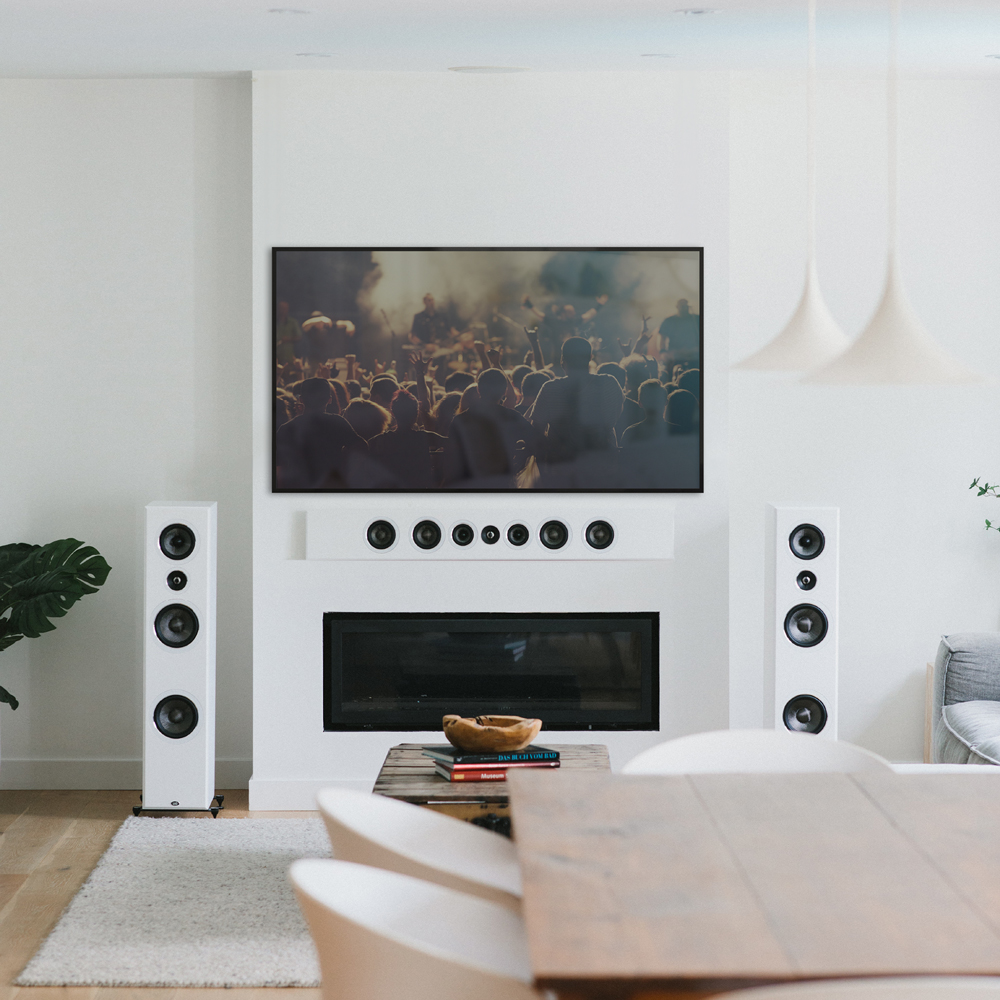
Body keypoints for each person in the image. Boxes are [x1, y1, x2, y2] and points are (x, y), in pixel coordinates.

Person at [527, 337, 623, 465]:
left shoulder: (550, 388)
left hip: (562, 466)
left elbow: (537, 431)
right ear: (590, 357)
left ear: (562, 360)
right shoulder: (609, 383)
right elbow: (614, 417)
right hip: (602, 464)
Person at [443, 368, 542, 487]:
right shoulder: (511, 417)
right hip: (501, 482)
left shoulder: (461, 419)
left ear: (478, 389)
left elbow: (449, 455)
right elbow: (537, 441)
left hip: (470, 484)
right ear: (504, 391)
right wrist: (519, 460)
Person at [276, 378, 367, 488]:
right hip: (331, 486)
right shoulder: (337, 422)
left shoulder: (287, 428)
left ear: (301, 399)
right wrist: (348, 472)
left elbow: (278, 466)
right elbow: (362, 446)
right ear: (329, 400)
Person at [369, 389, 445, 488]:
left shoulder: (380, 440)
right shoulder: (425, 437)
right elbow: (451, 443)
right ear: (416, 414)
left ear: (392, 413)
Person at [620, 380, 669, 447]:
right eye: (649, 399)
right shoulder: (674, 432)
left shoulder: (630, 433)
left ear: (640, 403)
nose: (652, 404)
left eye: (656, 400)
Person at [658, 299, 701, 369]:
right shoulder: (669, 320)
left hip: (694, 354)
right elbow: (662, 338)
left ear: (689, 307)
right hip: (675, 355)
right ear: (677, 306)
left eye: (685, 306)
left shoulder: (696, 319)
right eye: (682, 306)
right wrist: (663, 352)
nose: (683, 308)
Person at [275, 301, 301, 365]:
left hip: (288, 357)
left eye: (285, 308)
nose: (283, 310)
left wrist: (288, 339)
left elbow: (299, 337)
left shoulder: (292, 322)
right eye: (281, 308)